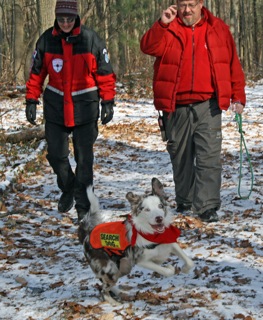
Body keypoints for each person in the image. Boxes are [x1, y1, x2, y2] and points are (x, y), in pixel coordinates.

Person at [140, 0, 246, 222]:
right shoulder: (168, 28)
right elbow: (148, 47)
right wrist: (161, 24)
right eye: (182, 5)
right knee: (181, 157)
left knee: (209, 156)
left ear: (201, 4)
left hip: (208, 104)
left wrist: (237, 96)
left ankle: (207, 206)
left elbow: (232, 64)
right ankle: (185, 200)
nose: (186, 10)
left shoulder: (219, 29)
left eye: (191, 4)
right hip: (175, 106)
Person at [25, 0, 116, 222]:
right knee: (56, 154)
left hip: (85, 106)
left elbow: (104, 72)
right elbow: (37, 73)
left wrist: (108, 101)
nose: (65, 23)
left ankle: (84, 207)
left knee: (84, 160)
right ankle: (68, 186)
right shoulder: (47, 40)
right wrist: (31, 99)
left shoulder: (91, 39)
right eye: (61, 19)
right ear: (56, 18)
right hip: (56, 106)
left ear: (76, 18)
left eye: (69, 19)